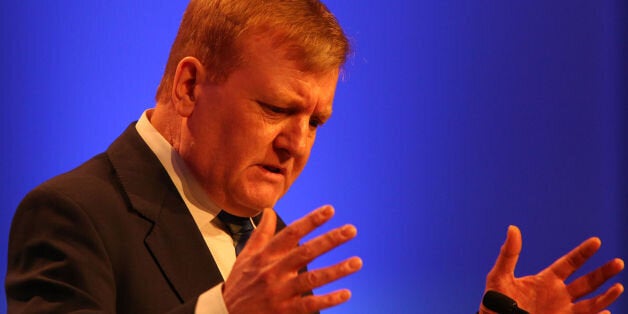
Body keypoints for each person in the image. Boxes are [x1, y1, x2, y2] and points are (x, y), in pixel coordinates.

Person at [4, 1, 624, 313]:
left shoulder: (268, 240)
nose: (297, 142)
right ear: (190, 87)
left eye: (315, 121)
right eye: (276, 108)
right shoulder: (72, 216)